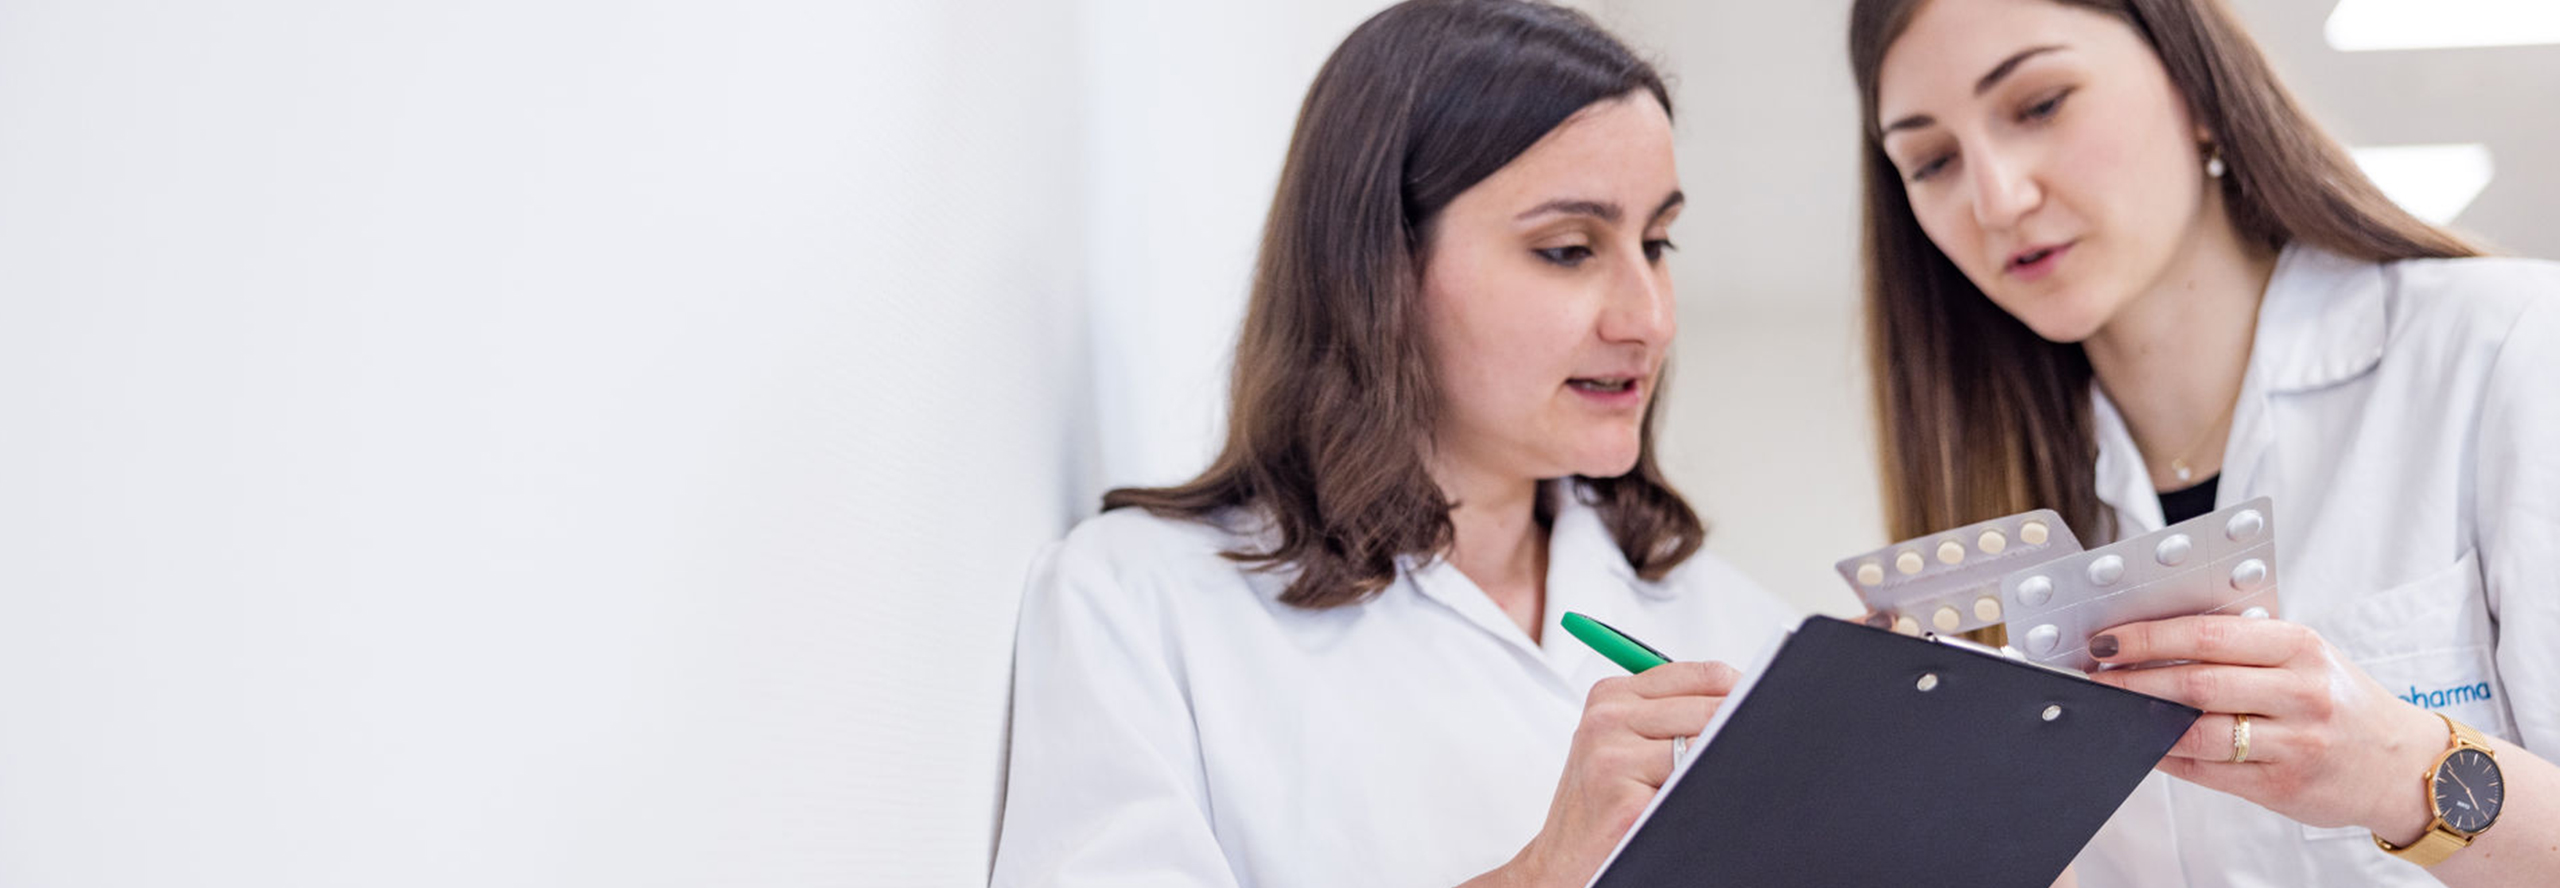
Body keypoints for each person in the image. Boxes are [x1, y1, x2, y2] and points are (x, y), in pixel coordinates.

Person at [989, 2, 1794, 886]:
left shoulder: (1730, 625)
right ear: (1378, 265)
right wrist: (1543, 874)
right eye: (1568, 249)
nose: (1651, 318)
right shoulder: (1139, 606)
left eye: (1657, 242)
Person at [1847, 0, 2560, 884]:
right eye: (1932, 160)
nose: (1997, 197)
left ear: (2196, 87)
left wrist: (2396, 770)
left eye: (2040, 105)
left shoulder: (2512, 349)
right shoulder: (1993, 507)